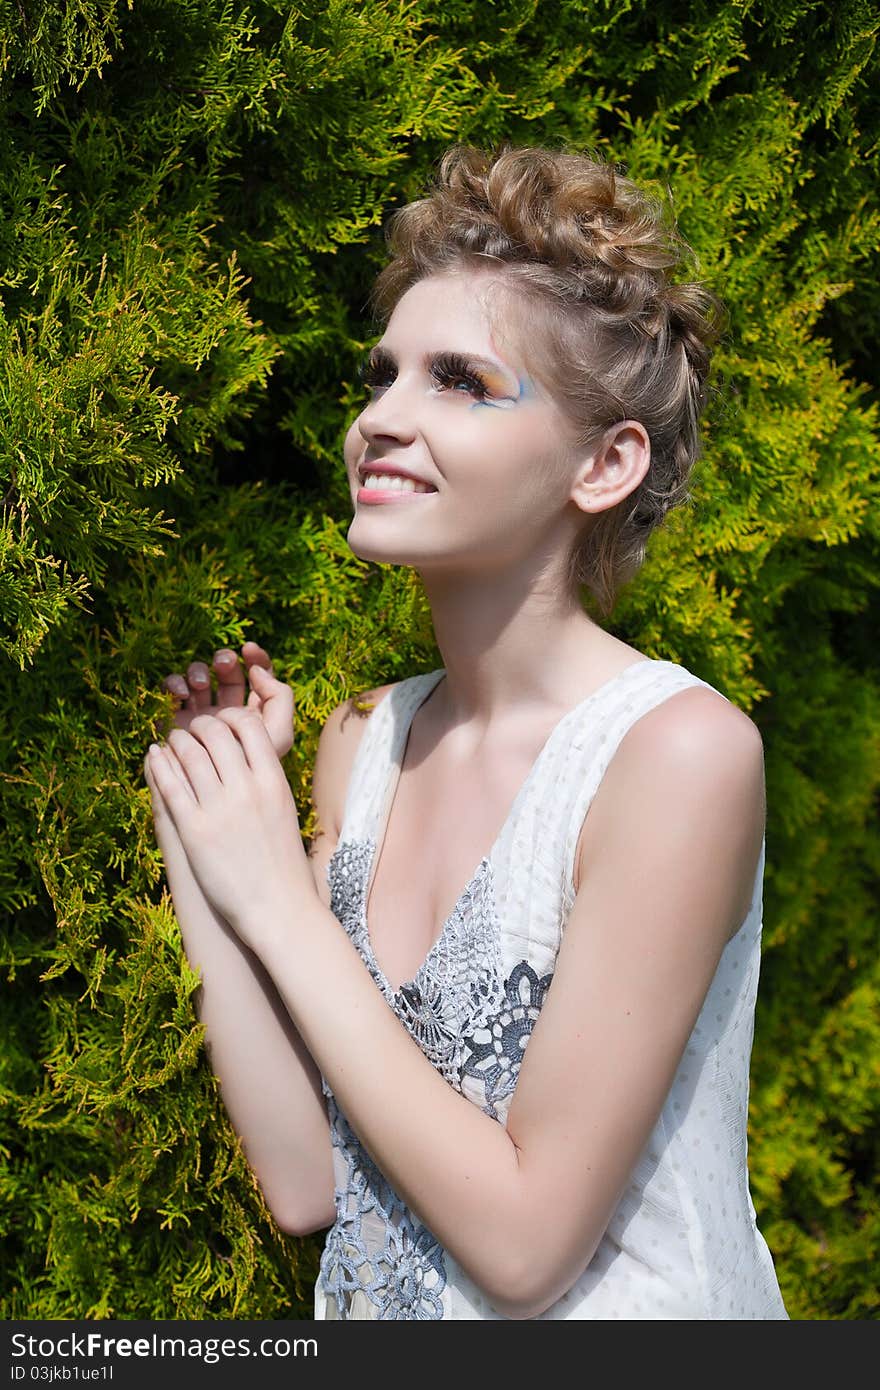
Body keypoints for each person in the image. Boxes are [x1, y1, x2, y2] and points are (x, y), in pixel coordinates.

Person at [144, 143, 788, 1320]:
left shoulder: (678, 756)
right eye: (383, 375)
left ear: (604, 463)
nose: (378, 420)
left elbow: (529, 1248)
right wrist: (208, 828)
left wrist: (280, 901)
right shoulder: (362, 742)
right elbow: (305, 1181)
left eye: (460, 381)